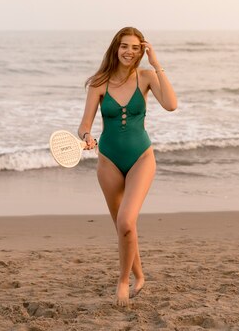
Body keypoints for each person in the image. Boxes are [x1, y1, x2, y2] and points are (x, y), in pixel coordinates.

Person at [78, 26, 177, 306]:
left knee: (126, 221)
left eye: (135, 47)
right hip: (108, 160)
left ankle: (123, 281)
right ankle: (140, 275)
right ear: (115, 48)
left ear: (141, 50)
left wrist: (156, 64)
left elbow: (171, 104)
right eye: (124, 46)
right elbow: (84, 124)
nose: (129, 52)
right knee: (123, 227)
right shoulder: (99, 82)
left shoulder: (146, 77)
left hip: (141, 158)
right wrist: (87, 137)